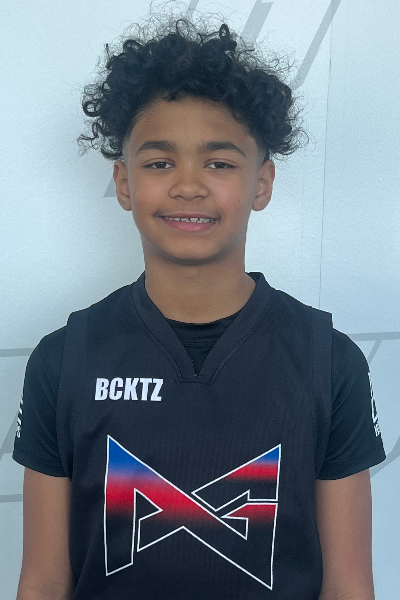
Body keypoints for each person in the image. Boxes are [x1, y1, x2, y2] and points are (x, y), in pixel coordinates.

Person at [13, 11, 386, 600]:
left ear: (261, 183)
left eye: (219, 162)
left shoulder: (328, 361)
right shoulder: (63, 362)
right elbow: (42, 581)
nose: (188, 185)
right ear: (124, 182)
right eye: (160, 162)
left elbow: (348, 585)